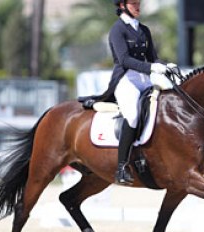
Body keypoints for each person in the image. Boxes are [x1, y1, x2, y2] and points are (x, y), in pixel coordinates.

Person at [82, 0, 176, 185]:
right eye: (134, 3)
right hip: (126, 80)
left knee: (162, 109)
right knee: (132, 115)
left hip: (145, 80)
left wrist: (166, 65)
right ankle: (122, 167)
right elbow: (124, 60)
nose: (138, 6)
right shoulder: (117, 30)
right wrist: (151, 67)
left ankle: (148, 155)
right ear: (123, 5)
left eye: (139, 3)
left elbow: (153, 58)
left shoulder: (144, 29)